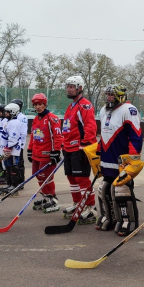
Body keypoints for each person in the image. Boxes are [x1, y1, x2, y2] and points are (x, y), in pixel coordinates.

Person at [96, 84, 144, 236]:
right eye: (107, 94)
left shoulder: (129, 110)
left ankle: (127, 221)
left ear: (120, 96)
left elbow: (136, 136)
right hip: (107, 158)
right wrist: (98, 150)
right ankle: (110, 218)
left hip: (121, 160)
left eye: (112, 95)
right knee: (104, 189)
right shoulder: (103, 110)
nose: (108, 97)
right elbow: (104, 132)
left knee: (121, 190)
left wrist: (133, 158)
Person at [61, 75, 98, 224]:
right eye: (68, 86)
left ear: (80, 88)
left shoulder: (85, 105)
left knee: (82, 178)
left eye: (72, 86)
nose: (69, 89)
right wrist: (63, 144)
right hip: (69, 148)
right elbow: (67, 128)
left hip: (80, 147)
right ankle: (78, 204)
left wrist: (85, 145)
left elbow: (90, 127)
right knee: (71, 178)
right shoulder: (70, 106)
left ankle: (90, 207)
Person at [27, 93, 64, 211]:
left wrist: (56, 151)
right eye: (36, 104)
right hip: (36, 153)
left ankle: (52, 198)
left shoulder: (52, 118)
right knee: (37, 175)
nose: (38, 107)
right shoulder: (36, 119)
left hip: (47, 154)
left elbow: (58, 136)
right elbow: (33, 135)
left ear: (45, 104)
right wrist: (29, 149)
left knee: (46, 177)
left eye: (40, 104)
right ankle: (45, 196)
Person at [0, 103, 27, 196]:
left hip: (13, 150)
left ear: (13, 112)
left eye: (7, 112)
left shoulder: (15, 123)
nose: (5, 114)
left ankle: (15, 185)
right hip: (7, 149)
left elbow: (14, 137)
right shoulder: (8, 122)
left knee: (13, 166)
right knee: (8, 166)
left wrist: (8, 147)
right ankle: (9, 184)